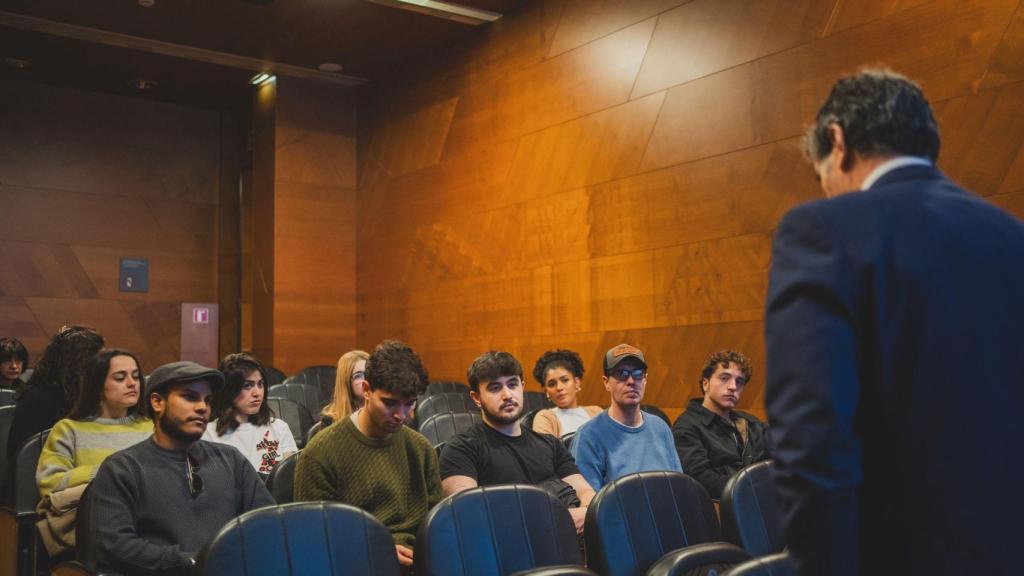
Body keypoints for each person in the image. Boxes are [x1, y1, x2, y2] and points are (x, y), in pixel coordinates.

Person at [765, 69, 1024, 576]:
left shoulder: (823, 230)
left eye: (824, 179)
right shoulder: (1010, 236)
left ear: (837, 142)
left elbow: (811, 437)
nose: (829, 193)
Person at [90, 361, 274, 575]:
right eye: (190, 397)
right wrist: (194, 562)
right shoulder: (122, 468)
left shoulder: (231, 460)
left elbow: (267, 524)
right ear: (158, 402)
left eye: (207, 400)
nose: (202, 407)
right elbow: (116, 546)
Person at [295, 340, 441, 570]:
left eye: (409, 403)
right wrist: (377, 550)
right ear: (366, 390)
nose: (401, 415)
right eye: (390, 403)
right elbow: (314, 537)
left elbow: (436, 526)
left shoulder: (421, 449)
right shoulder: (321, 452)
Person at [440, 351, 596, 534]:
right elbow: (467, 515)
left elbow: (585, 493)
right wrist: (553, 520)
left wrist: (585, 513)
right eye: (495, 388)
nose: (507, 395)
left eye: (512, 384)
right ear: (476, 398)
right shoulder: (461, 449)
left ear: (522, 387)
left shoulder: (551, 444)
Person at [35, 349, 153, 557]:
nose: (132, 383)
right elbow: (49, 482)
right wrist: (104, 471)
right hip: (95, 529)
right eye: (120, 377)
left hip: (150, 523)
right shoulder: (69, 429)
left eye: (136, 376)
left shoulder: (151, 428)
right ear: (98, 385)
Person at [572, 343, 681, 491]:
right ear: (606, 382)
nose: (631, 381)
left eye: (637, 374)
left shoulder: (660, 427)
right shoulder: (588, 436)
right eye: (621, 374)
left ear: (645, 380)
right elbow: (590, 505)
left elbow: (679, 487)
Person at [671, 350, 769, 498]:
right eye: (724, 378)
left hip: (762, 502)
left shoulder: (750, 423)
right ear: (706, 384)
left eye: (739, 381)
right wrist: (751, 488)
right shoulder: (686, 427)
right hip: (721, 509)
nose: (733, 387)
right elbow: (699, 478)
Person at [7, 325, 104, 461]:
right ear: (75, 361)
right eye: (95, 359)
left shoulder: (85, 392)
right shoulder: (39, 397)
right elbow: (24, 456)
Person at [203, 353, 296, 476]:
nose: (257, 393)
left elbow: (286, 481)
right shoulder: (209, 434)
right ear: (230, 390)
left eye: (260, 384)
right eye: (248, 385)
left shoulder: (279, 428)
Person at [529, 349, 602, 438]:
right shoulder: (545, 417)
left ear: (576, 382)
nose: (559, 388)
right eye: (552, 384)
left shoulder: (596, 412)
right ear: (546, 391)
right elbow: (545, 451)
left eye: (565, 380)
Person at [318, 349, 369, 428]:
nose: (366, 380)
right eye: (358, 376)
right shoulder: (331, 421)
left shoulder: (384, 414)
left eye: (369, 373)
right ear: (346, 382)